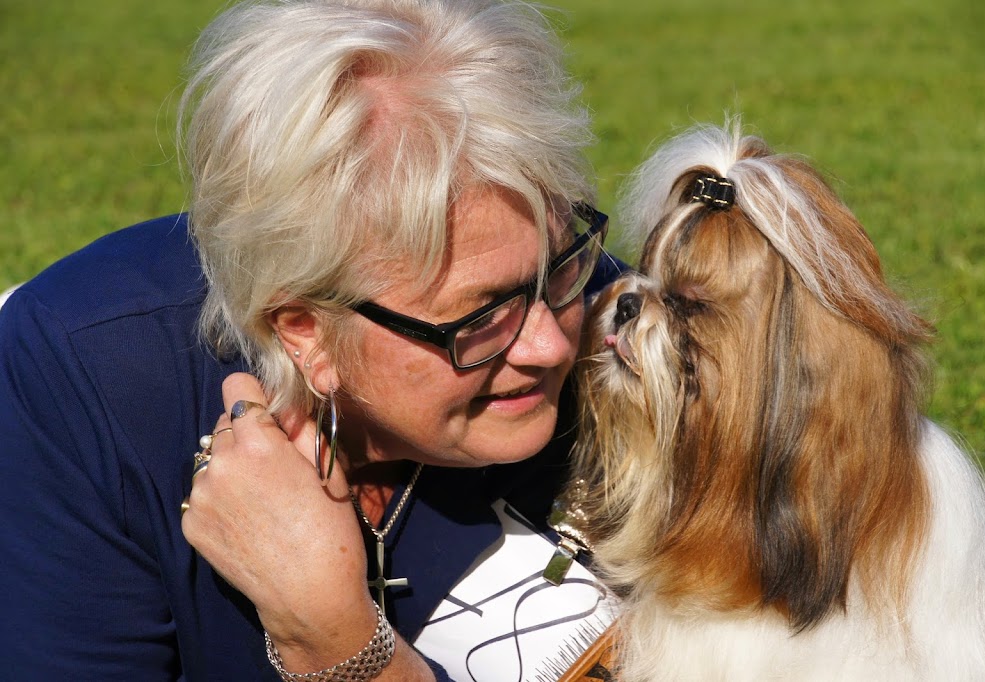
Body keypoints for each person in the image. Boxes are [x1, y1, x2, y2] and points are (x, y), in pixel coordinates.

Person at [0, 0, 622, 679]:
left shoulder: (629, 344)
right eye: (478, 317)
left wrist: (336, 643)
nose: (551, 346)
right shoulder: (87, 376)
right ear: (305, 331)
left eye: (560, 266)